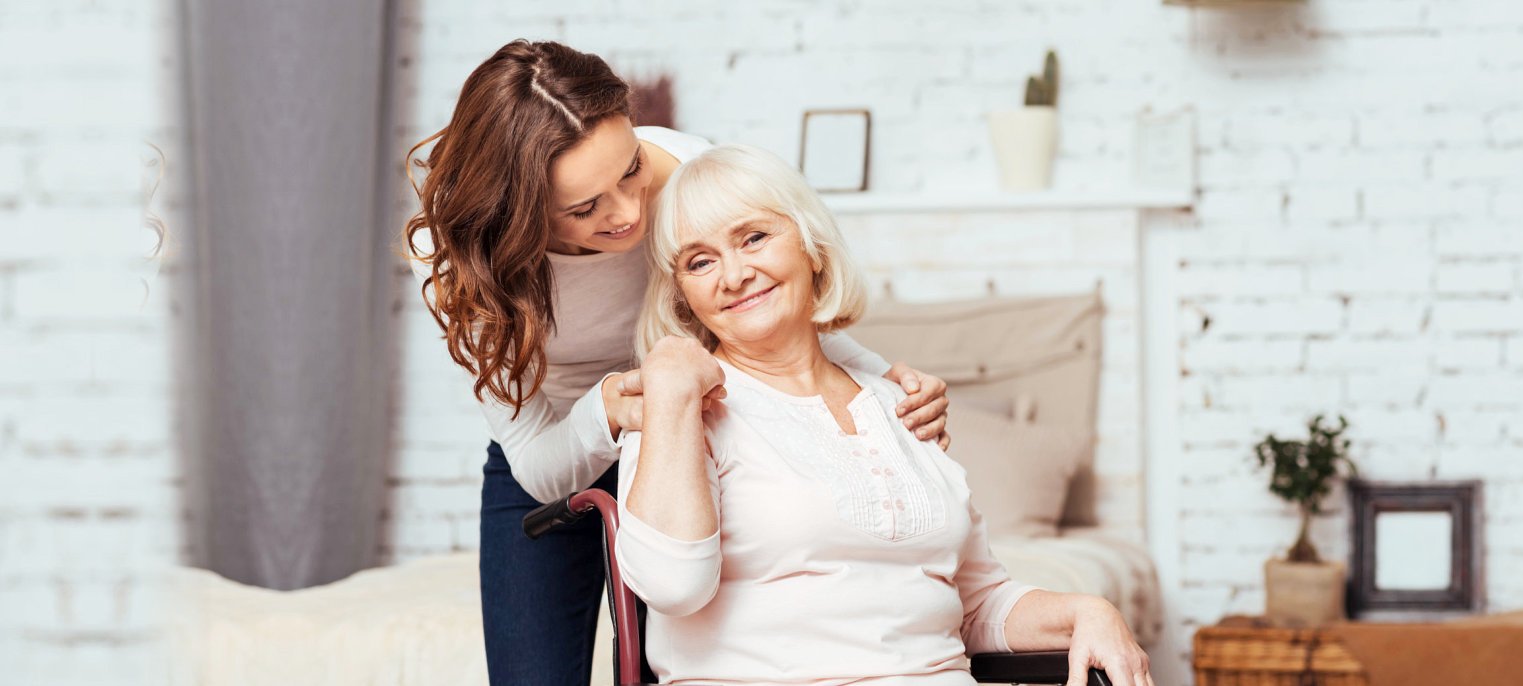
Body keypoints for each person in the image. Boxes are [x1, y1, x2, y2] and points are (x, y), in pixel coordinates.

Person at [403, 40, 955, 685]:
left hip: (699, 436)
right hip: (554, 445)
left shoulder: (693, 172)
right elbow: (538, 465)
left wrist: (880, 387)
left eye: (631, 168)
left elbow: (772, 303)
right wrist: (605, 410)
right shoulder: (459, 255)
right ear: (517, 210)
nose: (630, 212)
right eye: (585, 208)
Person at [616, 144, 1154, 686]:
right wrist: (671, 389)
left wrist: (1089, 611)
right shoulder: (679, 412)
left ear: (812, 247)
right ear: (683, 297)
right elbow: (670, 584)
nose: (733, 275)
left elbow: (977, 601)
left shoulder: (901, 407)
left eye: (754, 238)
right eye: (700, 261)